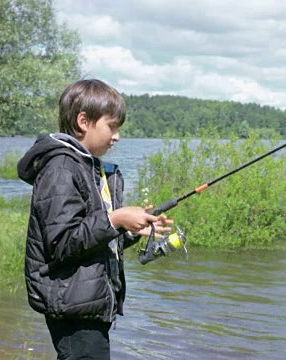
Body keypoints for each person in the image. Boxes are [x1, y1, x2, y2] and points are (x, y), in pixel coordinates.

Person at [17, 79, 173, 359]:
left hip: (85, 302)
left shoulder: (87, 167)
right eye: (112, 126)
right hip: (72, 305)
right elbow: (64, 243)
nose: (117, 136)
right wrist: (116, 219)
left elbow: (91, 240)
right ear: (84, 121)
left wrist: (132, 229)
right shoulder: (61, 168)